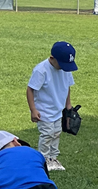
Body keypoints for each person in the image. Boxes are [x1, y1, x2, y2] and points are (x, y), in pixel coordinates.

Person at [26, 42, 77, 172]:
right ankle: (43, 159)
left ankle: (53, 158)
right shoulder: (41, 70)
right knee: (47, 134)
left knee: (56, 133)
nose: (64, 67)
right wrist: (33, 109)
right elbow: (30, 89)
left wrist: (68, 104)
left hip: (57, 109)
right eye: (62, 64)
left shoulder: (65, 69)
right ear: (52, 58)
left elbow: (67, 86)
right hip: (44, 110)